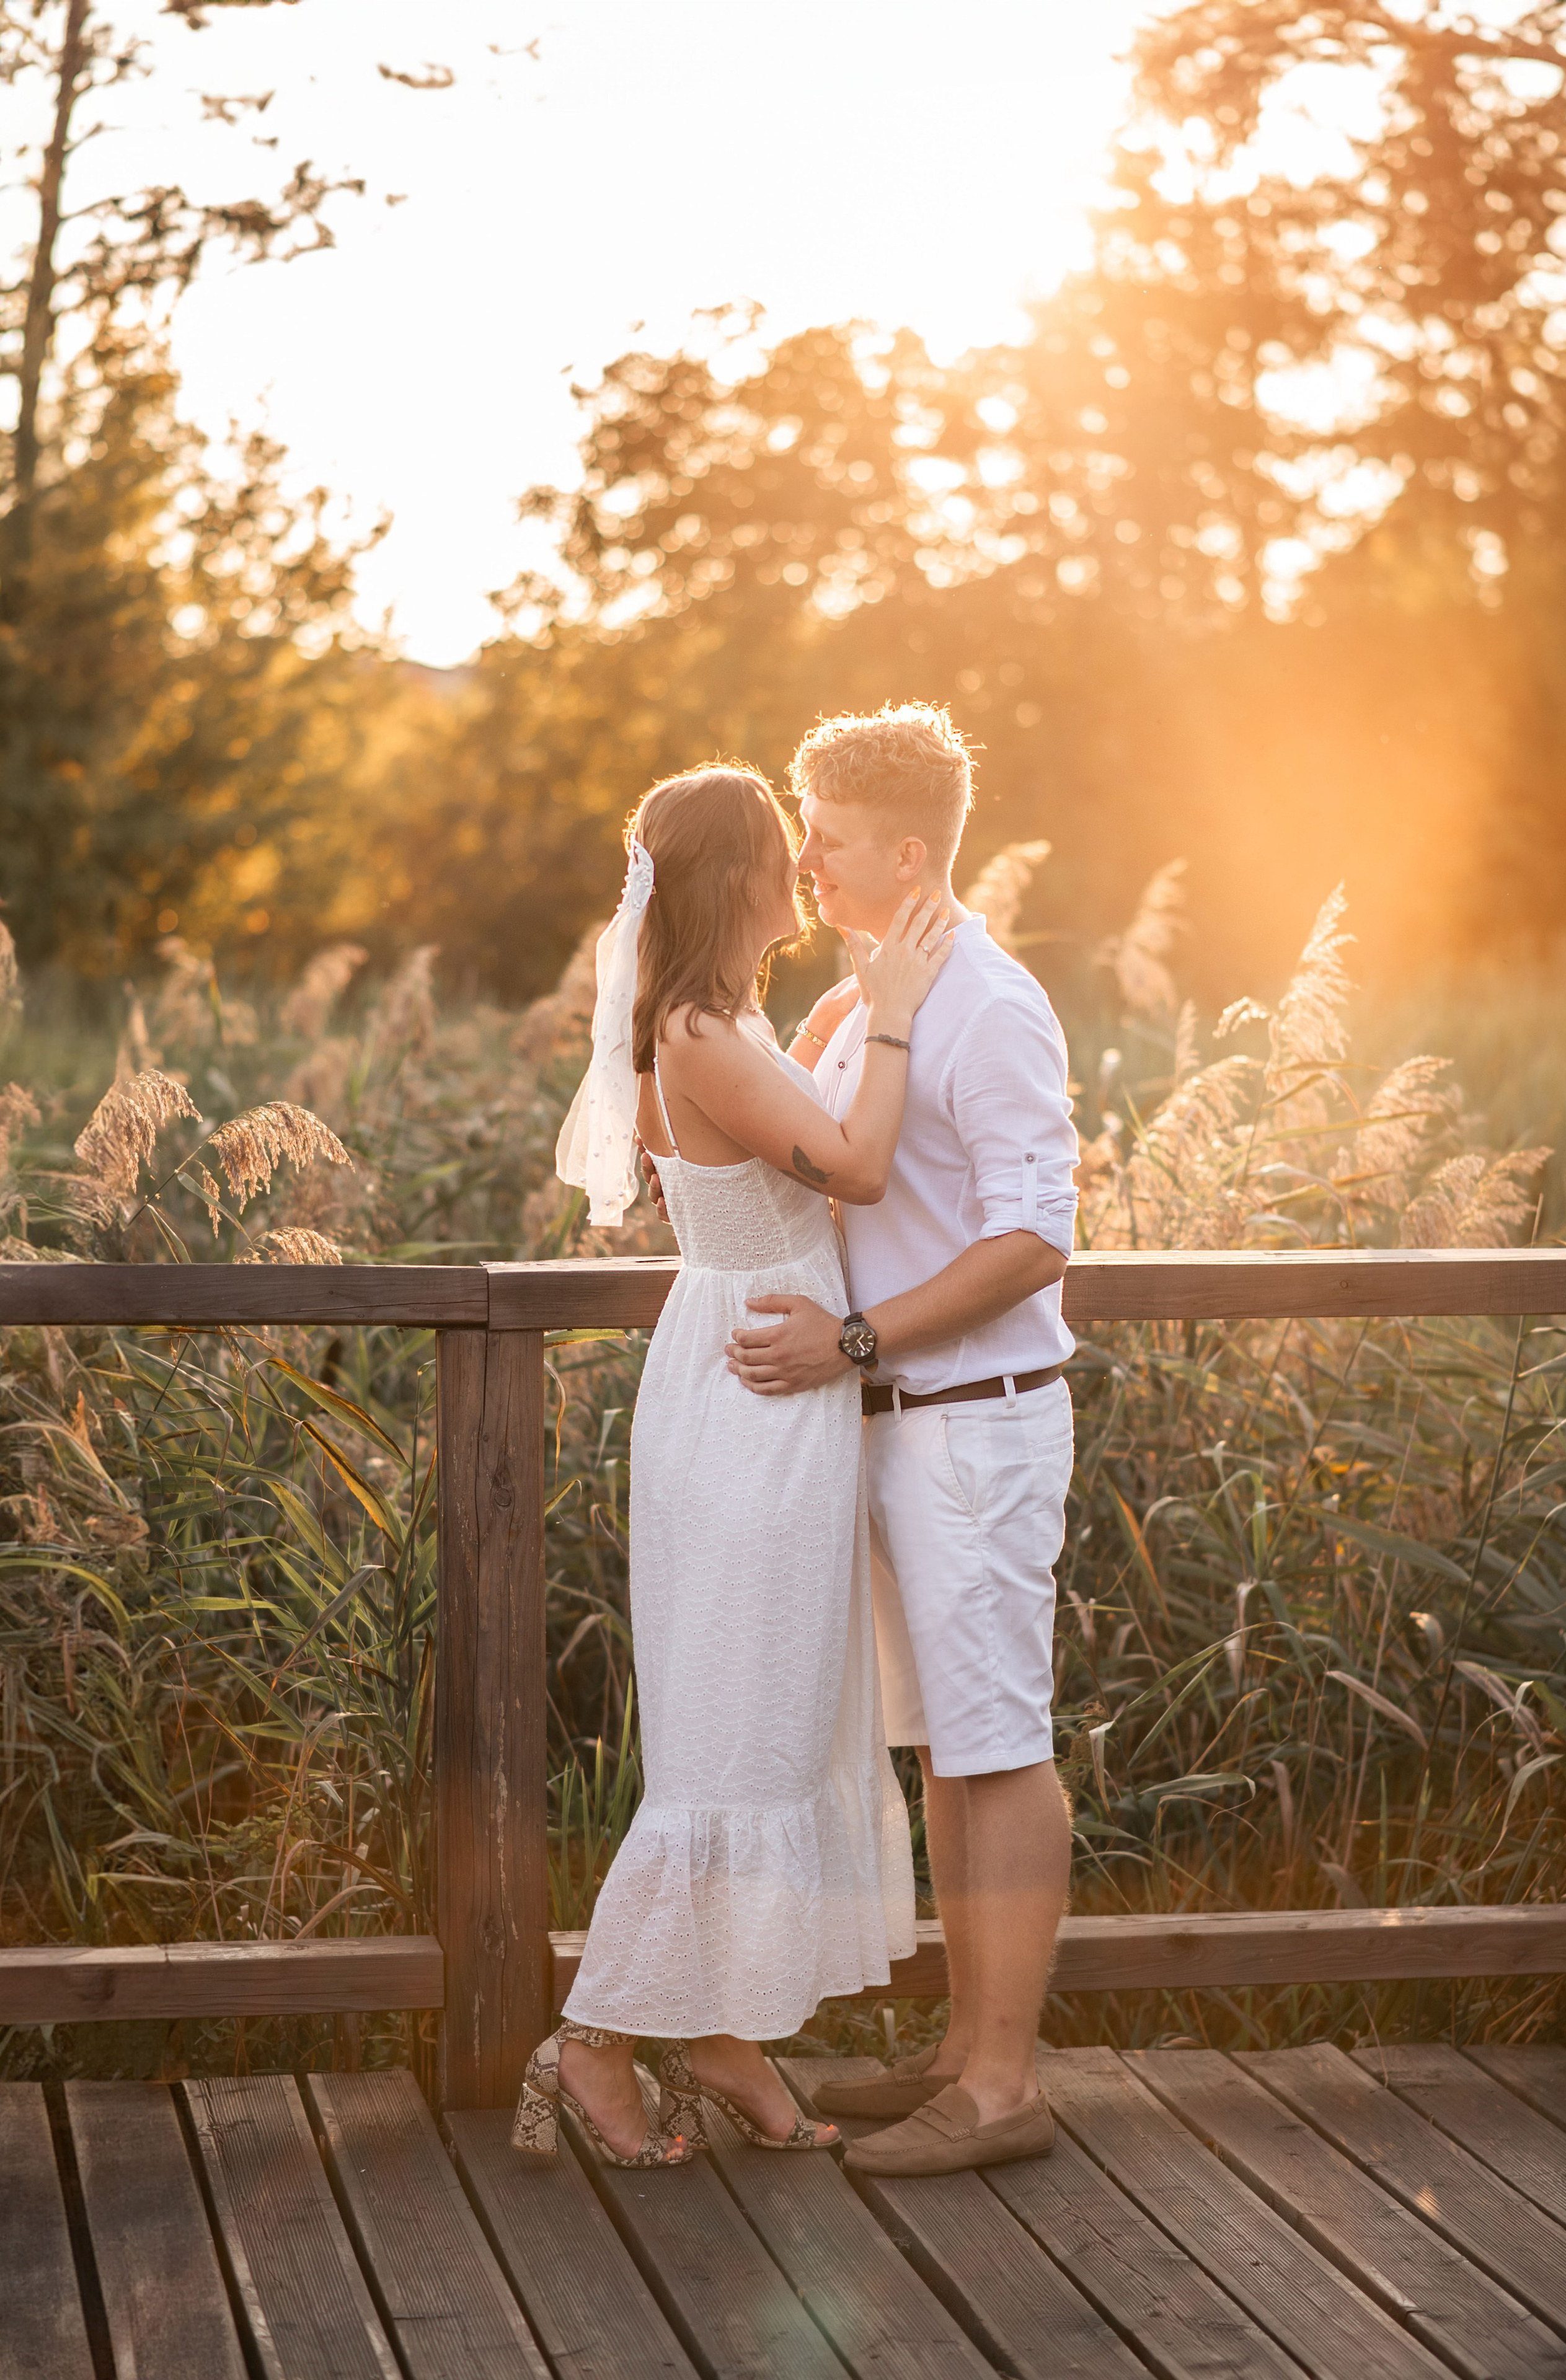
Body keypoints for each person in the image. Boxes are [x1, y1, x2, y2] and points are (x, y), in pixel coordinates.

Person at [512, 761, 952, 2169]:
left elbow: (776, 1111)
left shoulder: (725, 1021)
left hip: (771, 1388)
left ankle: (722, 2040)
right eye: (785, 849)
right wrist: (884, 1023)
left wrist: (830, 1013)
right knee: (733, 1744)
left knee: (767, 1724)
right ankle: (592, 2044)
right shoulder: (697, 1031)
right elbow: (857, 1167)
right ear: (731, 881)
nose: (805, 869)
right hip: (753, 1401)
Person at [724, 702, 1080, 2179]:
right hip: (896, 1430)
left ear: (911, 849)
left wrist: (856, 1343)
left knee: (998, 1749)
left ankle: (1001, 2091)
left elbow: (1032, 1243)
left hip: (974, 1430)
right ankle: (953, 2054)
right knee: (948, 1747)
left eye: (831, 838)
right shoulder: (887, 989)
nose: (806, 859)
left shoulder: (988, 1004)